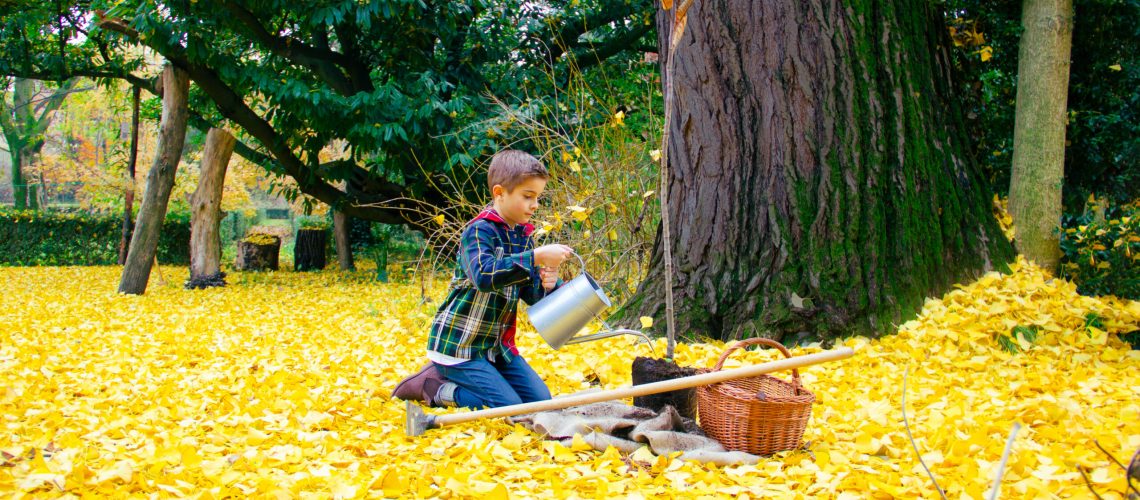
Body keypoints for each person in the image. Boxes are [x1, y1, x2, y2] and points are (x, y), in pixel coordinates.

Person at [393, 149, 573, 409]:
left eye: (538, 198)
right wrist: (534, 256)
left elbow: (531, 295)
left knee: (540, 402)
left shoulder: (522, 236)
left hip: (495, 348)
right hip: (459, 346)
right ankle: (431, 385)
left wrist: (549, 282)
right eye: (528, 196)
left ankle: (484, 378)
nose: (535, 205)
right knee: (507, 406)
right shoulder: (478, 231)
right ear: (499, 193)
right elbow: (484, 276)